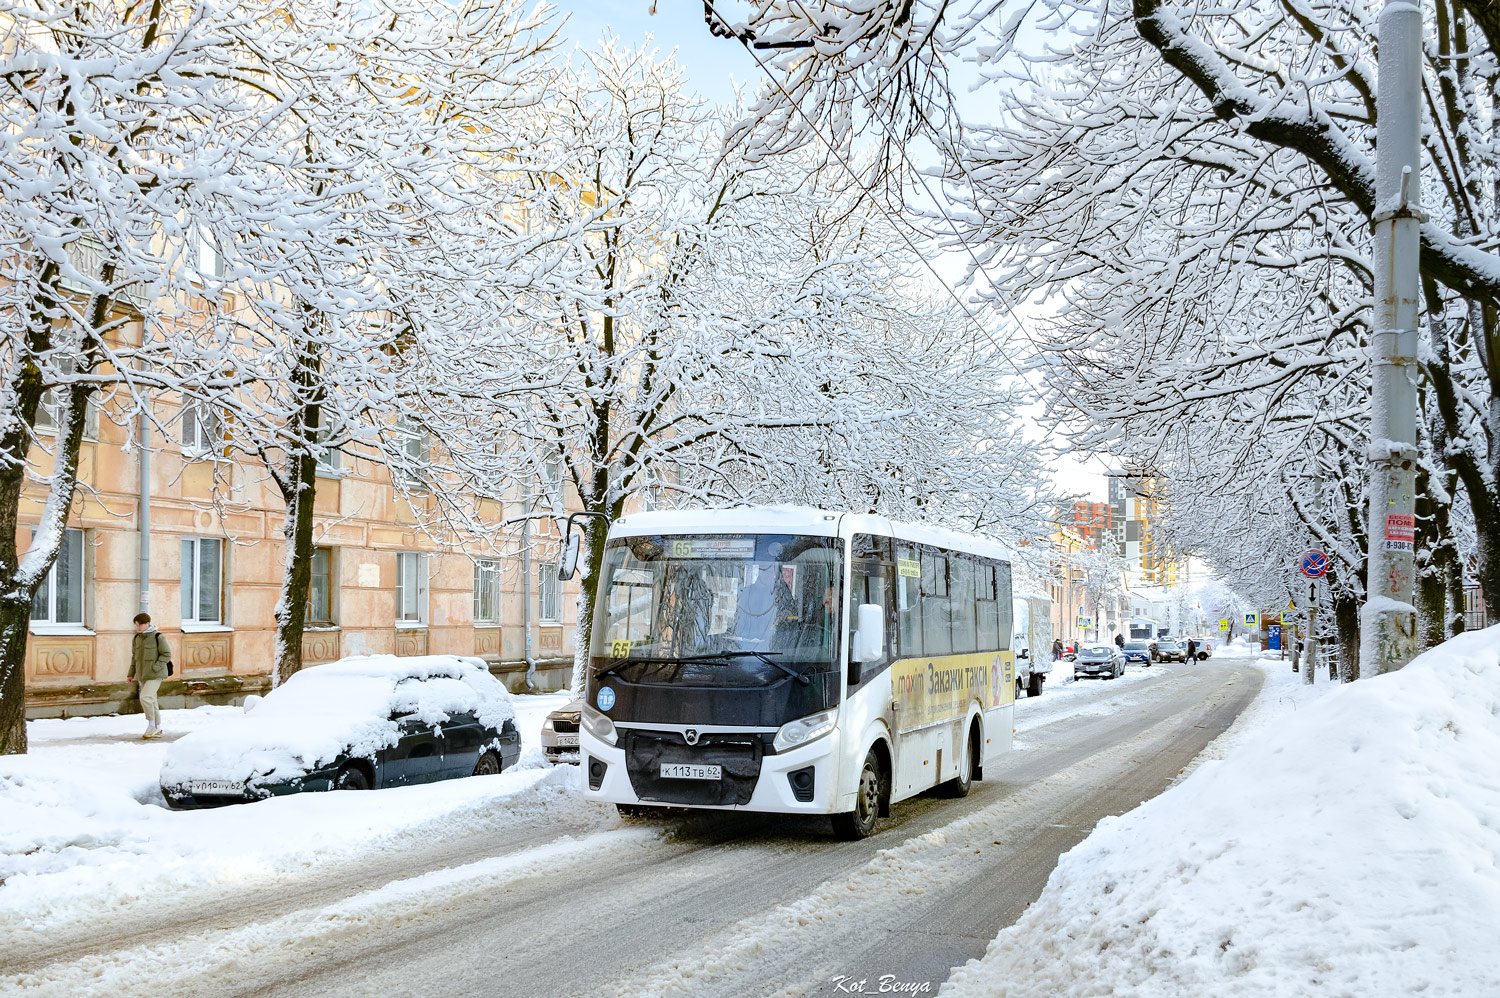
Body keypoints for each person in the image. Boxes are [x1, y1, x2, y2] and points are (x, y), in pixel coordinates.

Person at [128, 612, 173, 739]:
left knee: (145, 697)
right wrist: (131, 673)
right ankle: (158, 728)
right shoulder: (137, 638)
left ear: (147, 623)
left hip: (155, 674)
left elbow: (166, 654)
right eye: (136, 625)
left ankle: (151, 725)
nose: (138, 628)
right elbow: (134, 658)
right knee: (152, 701)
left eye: (140, 625)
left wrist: (156, 667)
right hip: (143, 674)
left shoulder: (158, 637)